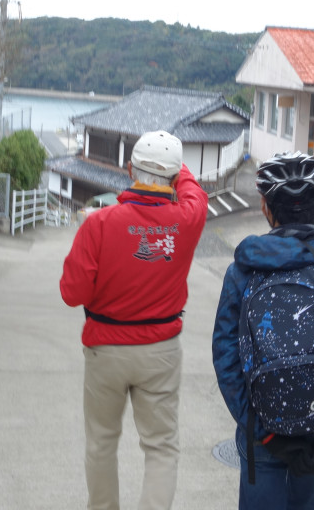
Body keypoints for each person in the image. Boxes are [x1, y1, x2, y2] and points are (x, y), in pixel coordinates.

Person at [212, 151, 314, 510]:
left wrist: (257, 426)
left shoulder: (243, 272)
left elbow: (225, 354)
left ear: (265, 207)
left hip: (261, 429)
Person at [60, 130, 208, 510]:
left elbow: (71, 293)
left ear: (130, 170)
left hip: (105, 349)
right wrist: (179, 170)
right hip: (160, 351)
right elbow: (196, 195)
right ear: (175, 180)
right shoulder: (187, 219)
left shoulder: (99, 224)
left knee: (101, 442)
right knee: (161, 447)